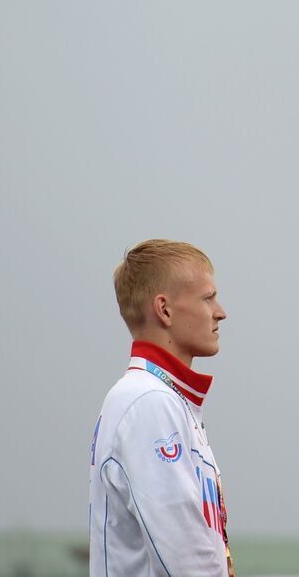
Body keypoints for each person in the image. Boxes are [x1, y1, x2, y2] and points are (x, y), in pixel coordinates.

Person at [89, 239, 233, 576]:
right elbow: (186, 557)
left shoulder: (166, 398)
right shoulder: (148, 401)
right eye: (208, 298)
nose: (220, 312)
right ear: (164, 309)